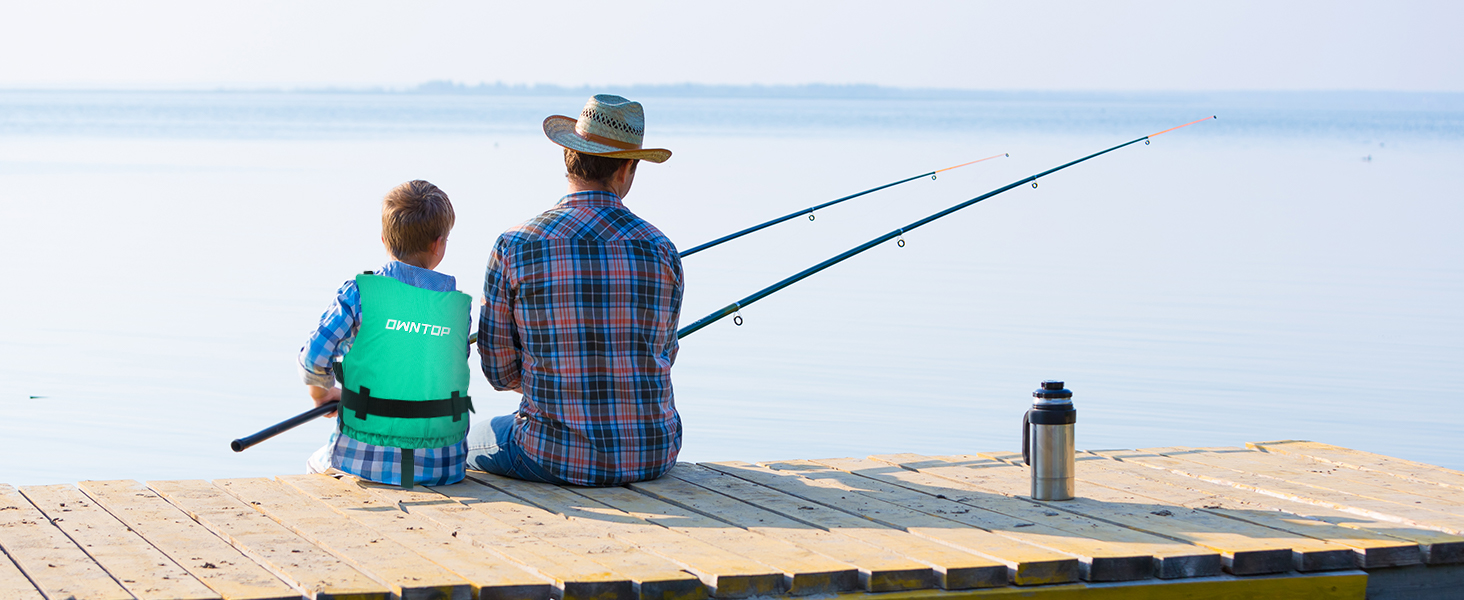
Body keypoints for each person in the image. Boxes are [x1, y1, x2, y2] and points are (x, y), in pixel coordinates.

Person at [471, 94, 683, 487]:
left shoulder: (515, 245)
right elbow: (664, 355)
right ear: (626, 169)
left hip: (550, 456)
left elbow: (499, 372)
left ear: (568, 155)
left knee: (467, 439)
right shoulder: (662, 249)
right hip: (654, 453)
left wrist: (554, 379)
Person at [299, 180, 473, 488]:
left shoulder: (358, 294)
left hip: (360, 462)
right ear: (438, 245)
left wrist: (321, 394)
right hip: (442, 468)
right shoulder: (456, 309)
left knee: (314, 463)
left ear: (384, 239)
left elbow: (314, 359)